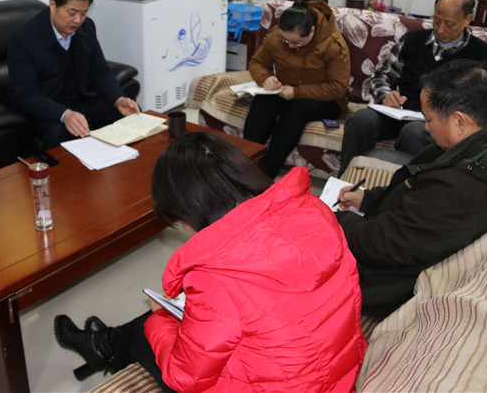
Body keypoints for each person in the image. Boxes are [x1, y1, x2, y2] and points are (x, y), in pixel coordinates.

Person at [54, 131, 366, 392]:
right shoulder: (315, 211)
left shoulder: (216, 276)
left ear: (188, 210)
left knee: (153, 327)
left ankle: (104, 347)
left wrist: (158, 318)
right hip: (339, 375)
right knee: (183, 319)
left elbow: (184, 377)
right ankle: (102, 345)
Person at [335, 59, 487, 317]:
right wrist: (368, 198)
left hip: (385, 285)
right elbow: (417, 190)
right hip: (398, 251)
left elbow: (383, 244)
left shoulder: (460, 186)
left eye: (429, 119)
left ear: (460, 122)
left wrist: (334, 221)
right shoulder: (478, 144)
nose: (425, 126)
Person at [338, 0, 487, 176]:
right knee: (360, 120)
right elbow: (381, 76)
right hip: (398, 111)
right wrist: (386, 95)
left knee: (414, 132)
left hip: (437, 121)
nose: (441, 30)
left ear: (467, 20)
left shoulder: (483, 55)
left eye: (449, 24)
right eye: (436, 21)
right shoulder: (411, 40)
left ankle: (408, 188)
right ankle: (344, 181)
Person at [8, 0, 140, 150]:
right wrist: (65, 114)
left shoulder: (87, 27)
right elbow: (25, 94)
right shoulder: (25, 39)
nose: (78, 20)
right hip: (47, 109)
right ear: (53, 5)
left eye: (83, 13)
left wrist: (119, 99)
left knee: (130, 114)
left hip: (81, 100)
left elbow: (100, 72)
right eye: (72, 13)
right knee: (59, 133)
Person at [243, 0, 350, 179]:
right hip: (285, 91)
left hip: (326, 101)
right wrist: (265, 78)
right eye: (286, 41)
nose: (290, 46)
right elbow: (257, 62)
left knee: (298, 108)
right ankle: (244, 162)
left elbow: (337, 88)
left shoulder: (333, 45)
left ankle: (267, 173)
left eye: (297, 42)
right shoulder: (276, 36)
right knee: (263, 101)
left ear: (312, 31)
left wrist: (296, 92)